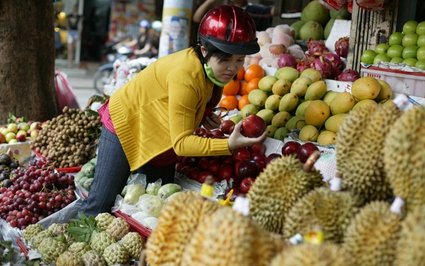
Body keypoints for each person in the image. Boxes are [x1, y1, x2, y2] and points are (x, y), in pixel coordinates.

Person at [78, 5, 265, 217]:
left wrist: (202, 115)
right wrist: (229, 145)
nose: (233, 67)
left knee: (157, 203)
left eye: (239, 60)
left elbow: (187, 101)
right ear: (204, 51)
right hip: (126, 121)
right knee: (100, 204)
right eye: (225, 59)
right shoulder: (186, 75)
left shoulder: (213, 73)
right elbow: (182, 144)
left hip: (160, 130)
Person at [193, 0, 276, 31]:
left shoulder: (255, 10)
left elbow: (274, 11)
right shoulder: (223, 11)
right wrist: (210, 1)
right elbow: (197, 18)